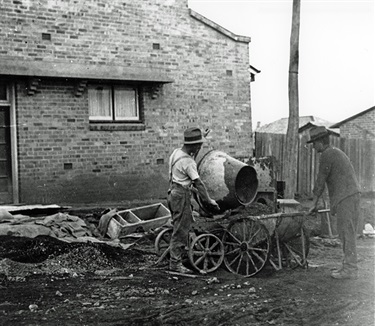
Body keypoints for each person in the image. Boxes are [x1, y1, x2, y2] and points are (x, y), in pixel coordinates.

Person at [307, 126, 361, 280]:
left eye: (314, 143)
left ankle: (350, 269)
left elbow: (320, 180)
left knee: (346, 232)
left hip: (347, 198)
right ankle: (349, 266)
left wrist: (313, 204)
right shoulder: (335, 152)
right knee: (347, 232)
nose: (313, 147)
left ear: (320, 142)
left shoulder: (327, 154)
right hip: (350, 196)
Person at [167, 127, 219, 274]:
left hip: (172, 192)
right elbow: (199, 183)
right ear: (193, 145)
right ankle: (175, 264)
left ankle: (176, 256)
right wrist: (209, 201)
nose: (199, 148)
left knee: (178, 225)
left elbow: (185, 167)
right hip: (181, 195)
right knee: (181, 230)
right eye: (198, 145)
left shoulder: (176, 153)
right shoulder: (188, 162)